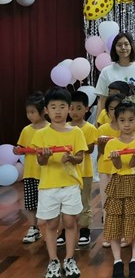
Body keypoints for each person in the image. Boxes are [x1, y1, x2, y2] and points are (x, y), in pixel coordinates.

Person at [32, 87, 88, 278]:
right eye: (53, 107)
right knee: (51, 223)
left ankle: (70, 259)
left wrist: (70, 158)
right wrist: (45, 156)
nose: (58, 111)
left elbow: (80, 157)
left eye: (62, 106)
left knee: (71, 222)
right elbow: (40, 162)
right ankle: (53, 260)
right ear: (46, 110)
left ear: (69, 109)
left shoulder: (76, 132)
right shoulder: (41, 134)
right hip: (49, 186)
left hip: (71, 184)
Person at [104, 100, 135, 278]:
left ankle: (134, 260)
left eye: (131, 120)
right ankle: (117, 261)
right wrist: (116, 159)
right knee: (114, 221)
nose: (126, 124)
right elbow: (117, 167)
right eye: (122, 120)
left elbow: (132, 165)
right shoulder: (111, 144)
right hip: (118, 182)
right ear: (116, 121)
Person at [14, 92, 48, 244]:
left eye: (33, 112)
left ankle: (52, 229)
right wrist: (17, 150)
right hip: (30, 173)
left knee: (48, 203)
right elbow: (21, 147)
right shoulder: (26, 130)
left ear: (43, 111)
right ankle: (33, 228)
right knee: (30, 203)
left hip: (46, 173)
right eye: (28, 112)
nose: (30, 115)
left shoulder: (50, 129)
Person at [95, 33, 135, 117]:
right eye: (119, 45)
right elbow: (102, 100)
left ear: (131, 46)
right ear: (114, 48)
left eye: (126, 44)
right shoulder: (106, 71)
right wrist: (98, 121)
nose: (123, 47)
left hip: (134, 118)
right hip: (112, 119)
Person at [69, 91, 98, 247]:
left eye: (79, 108)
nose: (74, 112)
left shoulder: (90, 128)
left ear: (87, 109)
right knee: (66, 202)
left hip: (85, 171)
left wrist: (76, 147)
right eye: (71, 108)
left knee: (84, 201)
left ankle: (85, 230)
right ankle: (65, 230)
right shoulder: (65, 127)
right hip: (67, 173)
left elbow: (91, 149)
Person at [96, 94, 125, 248]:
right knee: (107, 203)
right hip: (106, 169)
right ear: (107, 111)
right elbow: (101, 152)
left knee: (123, 203)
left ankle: (124, 234)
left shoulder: (128, 128)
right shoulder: (102, 129)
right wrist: (102, 143)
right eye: (111, 109)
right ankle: (109, 234)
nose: (115, 111)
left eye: (118, 108)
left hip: (123, 170)